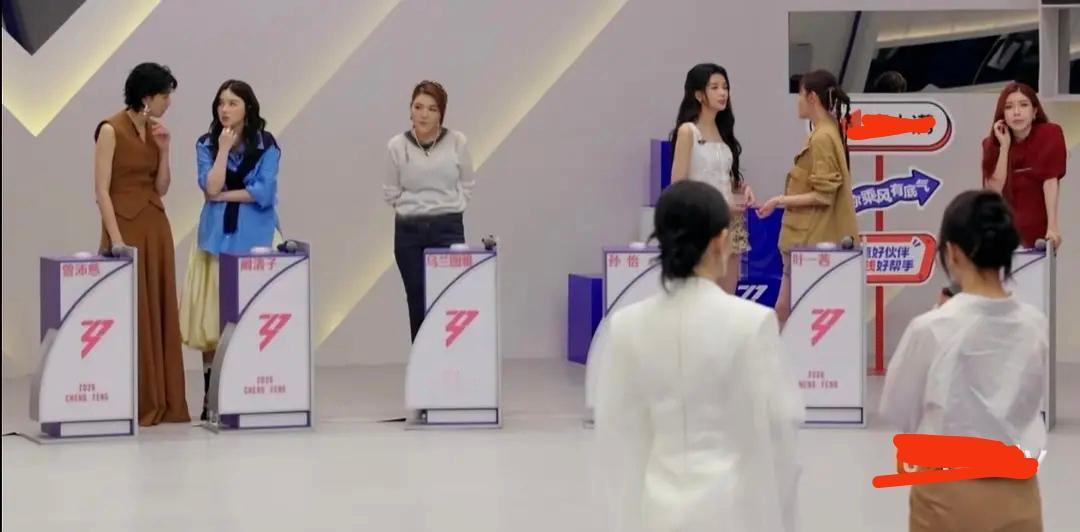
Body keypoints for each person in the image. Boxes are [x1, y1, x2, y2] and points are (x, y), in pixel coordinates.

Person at [594, 180, 803, 532]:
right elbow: (778, 438)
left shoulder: (625, 326)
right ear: (721, 241)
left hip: (653, 511)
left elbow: (616, 440)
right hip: (729, 511)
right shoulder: (752, 323)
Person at [880, 190, 1046, 532]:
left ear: (952, 252)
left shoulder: (932, 326)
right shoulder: (1035, 324)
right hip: (1019, 494)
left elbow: (898, 408)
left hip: (946, 494)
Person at [93, 63, 190, 426]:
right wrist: (116, 239)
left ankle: (162, 398)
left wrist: (164, 151)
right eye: (165, 96)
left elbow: (161, 187)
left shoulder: (154, 131)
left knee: (158, 309)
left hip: (155, 226)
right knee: (131, 312)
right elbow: (101, 190)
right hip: (125, 227)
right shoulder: (110, 129)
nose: (169, 103)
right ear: (147, 97)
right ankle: (133, 398)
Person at [180, 80, 281, 421]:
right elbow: (210, 186)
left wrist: (224, 195)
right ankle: (211, 397)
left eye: (233, 103)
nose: (225, 109)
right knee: (211, 321)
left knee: (254, 318)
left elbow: (263, 193)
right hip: (216, 239)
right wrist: (222, 151)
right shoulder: (207, 143)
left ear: (247, 108)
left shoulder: (266, 144)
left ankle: (249, 389)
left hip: (256, 238)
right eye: (221, 103)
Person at [757, 69, 858, 326]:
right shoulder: (828, 132)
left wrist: (780, 200)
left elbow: (823, 195)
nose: (798, 101)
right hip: (810, 239)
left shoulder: (822, 137)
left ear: (812, 97)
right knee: (789, 309)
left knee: (789, 310)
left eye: (800, 95)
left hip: (810, 238)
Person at [383, 80, 476, 341]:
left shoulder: (457, 142)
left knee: (449, 299)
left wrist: (449, 208)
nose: (424, 114)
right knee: (417, 300)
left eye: (432, 109)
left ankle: (448, 358)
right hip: (409, 233)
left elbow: (467, 183)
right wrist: (413, 208)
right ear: (410, 110)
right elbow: (390, 191)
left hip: (447, 230)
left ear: (441, 114)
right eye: (418, 107)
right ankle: (422, 359)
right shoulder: (396, 146)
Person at [669, 63, 755, 294]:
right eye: (715, 87)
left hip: (731, 224)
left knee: (727, 299)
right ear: (699, 94)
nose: (722, 93)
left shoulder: (723, 132)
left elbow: (724, 177)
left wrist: (743, 190)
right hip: (701, 225)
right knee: (700, 297)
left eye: (725, 87)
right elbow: (678, 187)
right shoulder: (688, 131)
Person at [981, 82, 1066, 249]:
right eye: (1009, 107)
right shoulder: (991, 145)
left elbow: (1050, 181)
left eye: (1023, 105)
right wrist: (1004, 147)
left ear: (1034, 111)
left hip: (1039, 237)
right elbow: (993, 191)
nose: (1017, 112)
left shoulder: (1050, 133)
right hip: (1004, 234)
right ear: (1003, 115)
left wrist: (1052, 227)